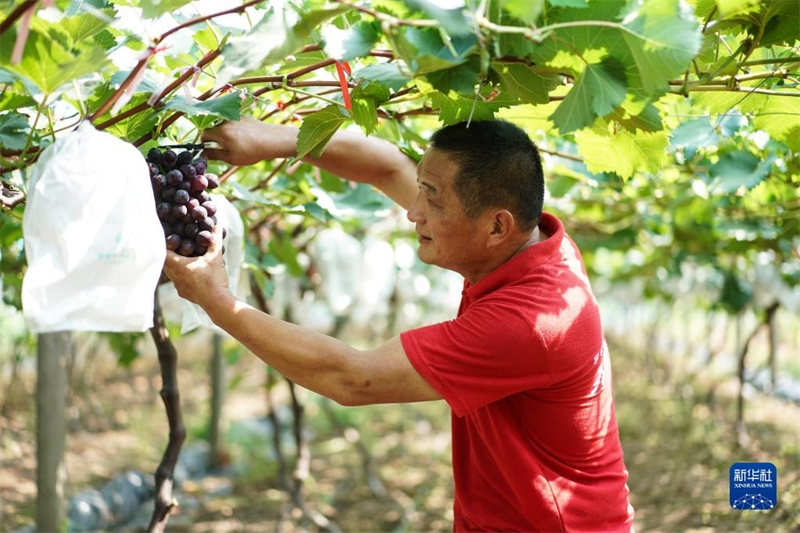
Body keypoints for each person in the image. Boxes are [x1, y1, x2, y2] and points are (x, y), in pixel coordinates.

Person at [163, 117, 635, 532]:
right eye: (423, 190)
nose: (413, 211)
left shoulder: (530, 322)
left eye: (431, 200)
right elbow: (387, 166)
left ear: (496, 227)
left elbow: (353, 378)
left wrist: (218, 301)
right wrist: (274, 140)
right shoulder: (530, 243)